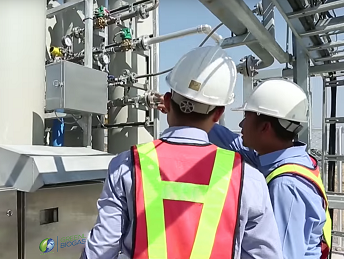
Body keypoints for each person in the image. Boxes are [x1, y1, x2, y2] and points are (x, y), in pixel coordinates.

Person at [81, 46, 283, 259]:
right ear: (219, 114)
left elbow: (101, 251)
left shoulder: (126, 166)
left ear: (167, 103)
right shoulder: (247, 178)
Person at [206, 79, 331, 259]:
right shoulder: (291, 159)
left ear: (265, 127)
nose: (241, 125)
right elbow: (234, 144)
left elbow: (281, 255)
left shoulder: (286, 186)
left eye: (246, 118)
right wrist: (194, 117)